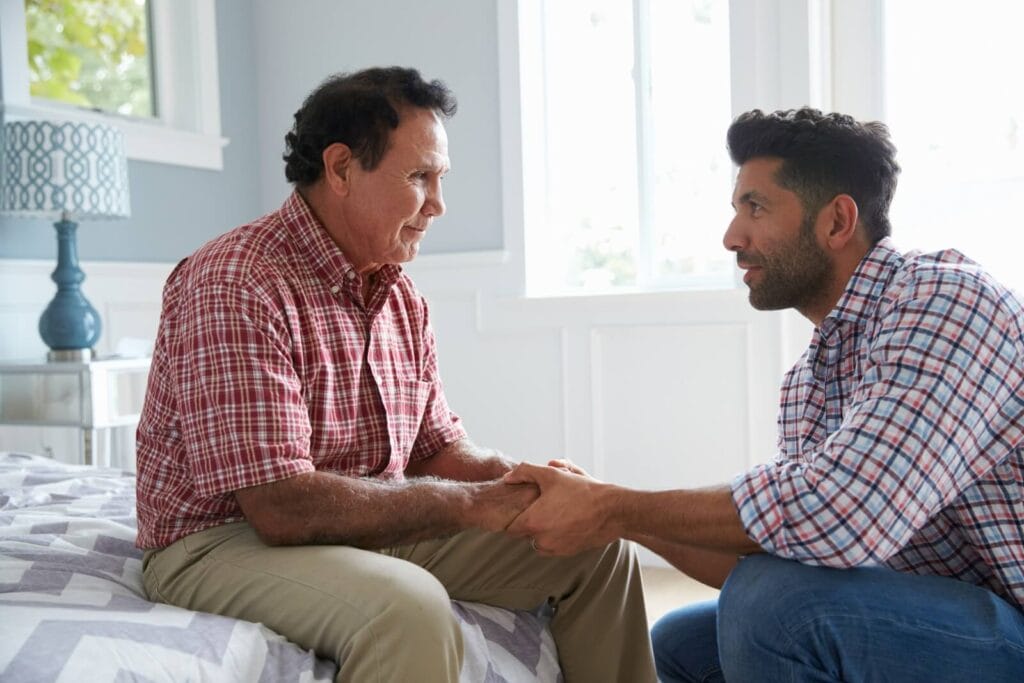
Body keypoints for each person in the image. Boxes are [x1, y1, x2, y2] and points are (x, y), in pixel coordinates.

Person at [135, 66, 656, 683]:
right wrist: (471, 506)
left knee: (597, 548)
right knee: (407, 609)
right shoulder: (236, 281)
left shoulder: (398, 294)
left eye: (440, 179)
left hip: (361, 522)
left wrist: (527, 483)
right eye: (418, 177)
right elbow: (279, 507)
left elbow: (435, 448)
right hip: (220, 541)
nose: (438, 204)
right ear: (341, 168)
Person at [505, 107, 1024, 682]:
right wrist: (612, 515)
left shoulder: (946, 303)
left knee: (777, 606)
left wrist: (614, 504)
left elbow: (842, 512)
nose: (732, 238)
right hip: (943, 618)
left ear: (836, 221)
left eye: (755, 208)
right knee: (684, 642)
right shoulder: (812, 378)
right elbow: (776, 549)